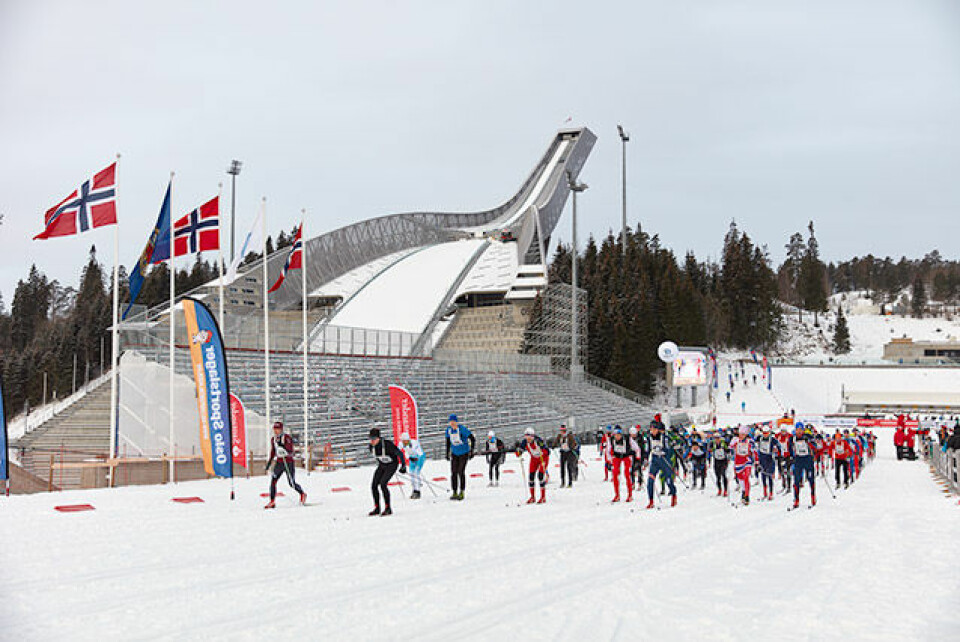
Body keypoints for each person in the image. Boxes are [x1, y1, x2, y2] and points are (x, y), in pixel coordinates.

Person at [264, 421, 306, 509]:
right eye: (275, 429)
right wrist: (269, 463)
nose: (276, 431)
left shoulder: (286, 438)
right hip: (279, 463)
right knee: (273, 481)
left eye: (278, 429)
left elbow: (291, 451)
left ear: (281, 429)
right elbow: (273, 452)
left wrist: (283, 448)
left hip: (288, 462)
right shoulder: (273, 439)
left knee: (291, 483)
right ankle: (272, 501)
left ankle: (302, 493)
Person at [368, 428, 405, 516]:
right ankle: (377, 508)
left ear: (379, 438)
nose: (372, 441)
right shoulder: (371, 446)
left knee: (383, 484)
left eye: (374, 439)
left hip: (392, 465)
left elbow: (400, 454)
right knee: (374, 486)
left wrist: (403, 466)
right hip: (382, 465)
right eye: (370, 439)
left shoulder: (387, 444)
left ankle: (388, 508)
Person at [646, 421, 677, 509]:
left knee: (668, 481)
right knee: (650, 481)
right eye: (651, 429)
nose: (653, 431)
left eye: (655, 429)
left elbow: (669, 450)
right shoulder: (649, 438)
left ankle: (674, 494)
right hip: (655, 460)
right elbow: (647, 450)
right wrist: (645, 459)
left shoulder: (664, 438)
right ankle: (651, 501)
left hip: (664, 460)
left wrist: (664, 452)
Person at [445, 414, 475, 501]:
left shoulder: (462, 429)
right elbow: (447, 442)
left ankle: (461, 491)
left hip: (464, 453)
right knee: (453, 472)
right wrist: (447, 453)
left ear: (456, 422)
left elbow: (472, 438)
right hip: (454, 453)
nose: (452, 423)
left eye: (454, 422)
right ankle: (454, 491)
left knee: (461, 471)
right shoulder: (448, 430)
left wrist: (471, 450)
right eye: (451, 422)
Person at [517, 427, 550, 504]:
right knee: (531, 477)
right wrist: (518, 452)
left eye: (529, 437)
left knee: (540, 476)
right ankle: (532, 497)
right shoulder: (524, 442)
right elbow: (520, 450)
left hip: (543, 458)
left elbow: (547, 451)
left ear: (532, 436)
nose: (528, 439)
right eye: (526, 437)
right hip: (534, 459)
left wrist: (543, 452)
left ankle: (543, 497)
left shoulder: (538, 441)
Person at [730, 425, 758, 505]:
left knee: (746, 477)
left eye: (742, 434)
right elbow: (729, 448)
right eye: (740, 434)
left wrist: (756, 461)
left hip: (747, 461)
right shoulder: (735, 440)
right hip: (738, 462)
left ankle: (747, 496)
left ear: (746, 434)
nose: (741, 436)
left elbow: (755, 451)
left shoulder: (750, 441)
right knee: (740, 478)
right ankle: (743, 491)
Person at [607, 427, 635, 502]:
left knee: (627, 474)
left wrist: (637, 458)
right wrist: (610, 461)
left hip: (626, 456)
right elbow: (608, 451)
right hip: (617, 457)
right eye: (616, 435)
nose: (617, 437)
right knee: (615, 474)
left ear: (621, 434)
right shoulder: (611, 439)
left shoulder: (627, 438)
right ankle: (617, 495)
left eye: (619, 435)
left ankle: (630, 495)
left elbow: (636, 448)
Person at [791, 425, 817, 509]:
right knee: (796, 480)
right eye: (797, 430)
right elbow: (790, 448)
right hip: (798, 459)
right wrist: (791, 457)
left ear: (803, 430)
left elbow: (815, 447)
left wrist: (808, 442)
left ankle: (813, 497)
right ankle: (796, 499)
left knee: (810, 479)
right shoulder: (793, 438)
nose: (798, 432)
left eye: (800, 430)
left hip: (808, 459)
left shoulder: (808, 437)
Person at [756, 426, 782, 501]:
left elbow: (779, 446)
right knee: (763, 476)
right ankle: (765, 493)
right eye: (764, 433)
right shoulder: (759, 438)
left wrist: (777, 451)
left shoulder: (772, 439)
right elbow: (753, 443)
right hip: (762, 458)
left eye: (766, 433)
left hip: (770, 459)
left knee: (769, 476)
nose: (765, 434)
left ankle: (771, 493)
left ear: (769, 433)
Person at [399, 432, 424, 499]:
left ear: (408, 440)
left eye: (406, 441)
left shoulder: (414, 443)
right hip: (411, 458)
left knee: (416, 473)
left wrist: (415, 458)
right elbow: (398, 450)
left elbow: (420, 453)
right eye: (403, 441)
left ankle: (418, 491)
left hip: (419, 458)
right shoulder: (401, 444)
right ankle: (414, 490)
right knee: (411, 474)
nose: (404, 442)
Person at [710, 432, 731, 497]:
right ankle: (719, 489)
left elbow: (728, 450)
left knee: (723, 474)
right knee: (717, 476)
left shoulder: (723, 443)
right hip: (716, 461)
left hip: (723, 461)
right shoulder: (712, 443)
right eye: (715, 438)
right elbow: (710, 451)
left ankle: (725, 490)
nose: (717, 439)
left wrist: (728, 456)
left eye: (718, 438)